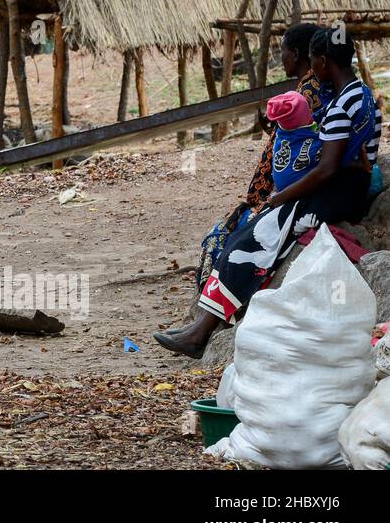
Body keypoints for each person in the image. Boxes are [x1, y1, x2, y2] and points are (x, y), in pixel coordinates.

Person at [155, 27, 381, 357]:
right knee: (247, 233)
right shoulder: (362, 97)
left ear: (321, 61)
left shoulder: (339, 107)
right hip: (347, 188)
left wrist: (280, 197)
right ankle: (200, 326)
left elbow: (327, 168)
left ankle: (199, 333)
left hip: (337, 193)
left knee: (256, 238)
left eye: (314, 62)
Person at [194, 23, 325, 282]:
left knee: (220, 237)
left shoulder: (305, 94)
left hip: (289, 196)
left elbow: (289, 154)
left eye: (284, 51)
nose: (282, 57)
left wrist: (262, 200)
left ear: (296, 54)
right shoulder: (310, 90)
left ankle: (217, 304)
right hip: (291, 191)